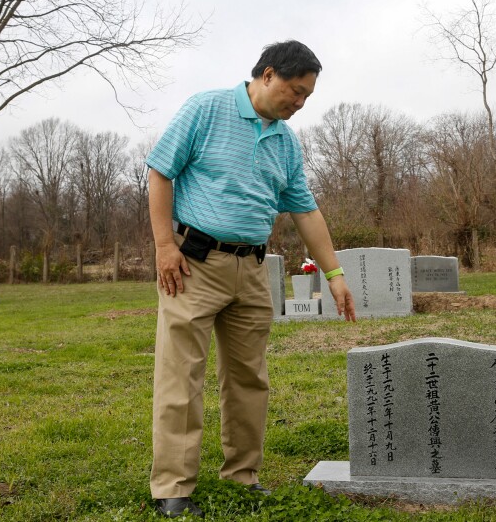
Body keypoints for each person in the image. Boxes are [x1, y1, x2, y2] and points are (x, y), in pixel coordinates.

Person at [145, 40, 356, 519]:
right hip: (194, 265)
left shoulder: (285, 141)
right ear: (266, 75)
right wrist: (163, 247)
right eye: (294, 91)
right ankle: (174, 488)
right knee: (182, 377)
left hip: (254, 270)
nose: (298, 103)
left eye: (306, 97)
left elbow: (305, 210)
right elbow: (160, 172)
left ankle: (243, 475)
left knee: (248, 379)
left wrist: (336, 275)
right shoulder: (206, 108)